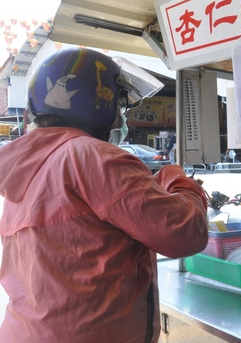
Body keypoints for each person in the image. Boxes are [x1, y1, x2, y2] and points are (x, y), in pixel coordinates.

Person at [0, 48, 210, 343]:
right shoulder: (92, 156)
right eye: (121, 106)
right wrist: (179, 182)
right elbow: (185, 233)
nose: (121, 119)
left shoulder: (26, 166)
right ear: (96, 102)